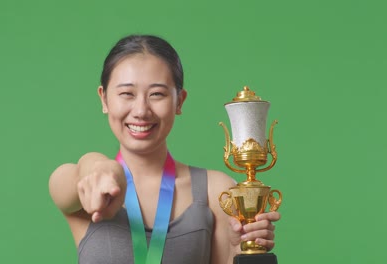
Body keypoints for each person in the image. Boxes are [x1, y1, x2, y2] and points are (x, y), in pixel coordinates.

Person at [48, 34, 280, 264]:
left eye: (157, 94)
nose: (141, 110)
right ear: (104, 99)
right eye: (126, 94)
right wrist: (97, 164)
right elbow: (73, 179)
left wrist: (239, 250)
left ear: (179, 101)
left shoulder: (217, 192)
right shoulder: (87, 186)